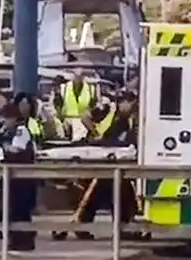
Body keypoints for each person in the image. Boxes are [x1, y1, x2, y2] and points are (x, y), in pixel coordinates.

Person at [72, 90, 139, 240]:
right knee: (96, 193)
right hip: (101, 156)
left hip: (116, 159)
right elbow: (85, 116)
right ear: (123, 102)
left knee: (121, 194)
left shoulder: (129, 119)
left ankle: (122, 228)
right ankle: (83, 225)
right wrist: (96, 134)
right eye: (130, 104)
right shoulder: (108, 110)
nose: (131, 108)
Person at [0, 103, 37, 251]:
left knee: (21, 210)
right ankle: (14, 239)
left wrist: (5, 147)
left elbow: (15, 149)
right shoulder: (5, 131)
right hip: (10, 176)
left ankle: (25, 240)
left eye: (6, 118)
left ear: (13, 118)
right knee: (12, 208)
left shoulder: (21, 131)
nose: (4, 122)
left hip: (23, 177)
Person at [55, 68, 97, 141]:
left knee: (78, 133)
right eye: (76, 75)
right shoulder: (64, 88)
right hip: (67, 119)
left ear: (83, 77)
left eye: (80, 76)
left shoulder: (91, 89)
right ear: (73, 76)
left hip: (83, 121)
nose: (78, 78)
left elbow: (94, 106)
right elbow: (58, 105)